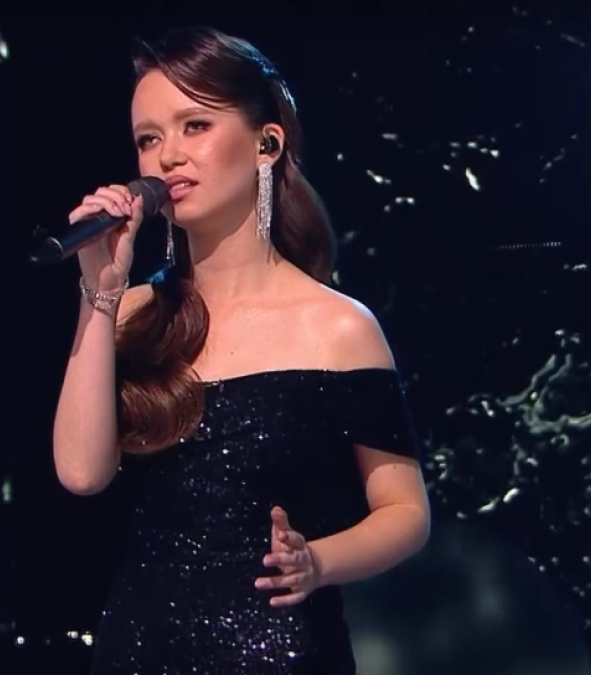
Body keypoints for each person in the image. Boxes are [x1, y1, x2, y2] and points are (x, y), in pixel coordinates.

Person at [52, 26, 431, 674]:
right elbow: (82, 473)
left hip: (281, 653)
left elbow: (406, 511)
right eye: (148, 139)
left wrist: (317, 561)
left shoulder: (338, 327)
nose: (168, 157)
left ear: (266, 144)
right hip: (139, 651)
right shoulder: (134, 312)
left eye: (194, 126)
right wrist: (100, 293)